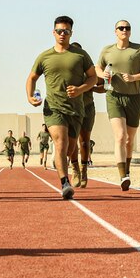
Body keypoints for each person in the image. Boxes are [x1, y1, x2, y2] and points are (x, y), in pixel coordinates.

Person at [27, 16, 97, 200]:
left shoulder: (80, 55)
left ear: (71, 33)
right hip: (53, 108)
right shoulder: (45, 56)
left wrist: (81, 89)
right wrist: (30, 96)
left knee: (69, 148)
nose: (62, 34)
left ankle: (74, 167)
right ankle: (65, 183)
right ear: (53, 32)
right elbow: (32, 77)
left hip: (76, 110)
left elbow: (93, 78)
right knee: (60, 142)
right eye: (59, 31)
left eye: (66, 31)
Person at [97, 19, 140, 191]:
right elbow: (97, 68)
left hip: (134, 98)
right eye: (121, 28)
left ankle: (127, 170)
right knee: (120, 136)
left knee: (129, 140)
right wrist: (104, 76)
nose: (124, 30)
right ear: (115, 31)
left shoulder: (139, 49)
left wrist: (134, 77)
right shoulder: (107, 50)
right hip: (114, 96)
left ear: (130, 31)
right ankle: (123, 175)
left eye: (127, 28)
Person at [67, 41, 105, 188]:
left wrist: (90, 88)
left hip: (88, 107)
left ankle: (84, 169)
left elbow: (105, 88)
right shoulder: (68, 69)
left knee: (84, 141)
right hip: (72, 108)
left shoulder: (91, 69)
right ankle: (75, 169)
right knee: (72, 140)